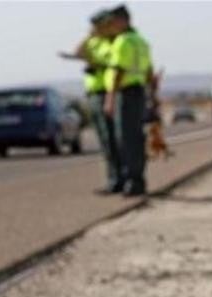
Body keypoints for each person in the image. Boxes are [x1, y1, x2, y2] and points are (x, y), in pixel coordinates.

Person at [59, 9, 123, 194]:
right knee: (105, 140)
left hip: (107, 92)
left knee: (112, 139)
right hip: (94, 93)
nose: (94, 29)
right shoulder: (94, 41)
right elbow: (78, 52)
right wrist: (89, 36)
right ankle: (114, 178)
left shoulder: (111, 43)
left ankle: (118, 179)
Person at [103, 5, 155, 196]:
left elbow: (118, 71)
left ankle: (132, 181)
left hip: (125, 93)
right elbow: (149, 72)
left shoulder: (123, 42)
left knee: (125, 139)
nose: (111, 26)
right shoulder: (141, 41)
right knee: (136, 137)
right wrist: (151, 96)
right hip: (138, 93)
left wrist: (109, 99)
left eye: (113, 22)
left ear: (122, 21)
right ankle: (137, 179)